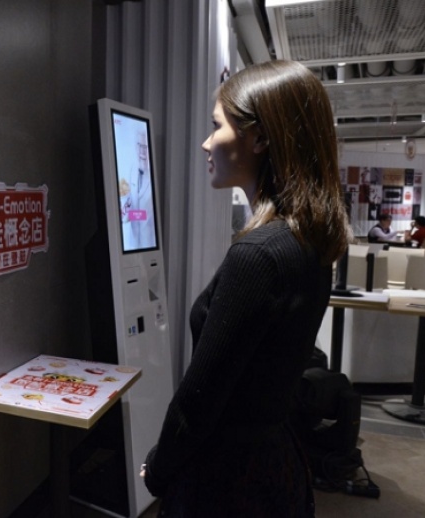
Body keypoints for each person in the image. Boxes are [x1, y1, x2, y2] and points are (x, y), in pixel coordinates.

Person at [142, 60, 350, 517]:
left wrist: (157, 468)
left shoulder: (257, 256)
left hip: (227, 484)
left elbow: (200, 399)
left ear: (259, 139)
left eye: (217, 126)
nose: (206, 142)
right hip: (278, 467)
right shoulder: (308, 241)